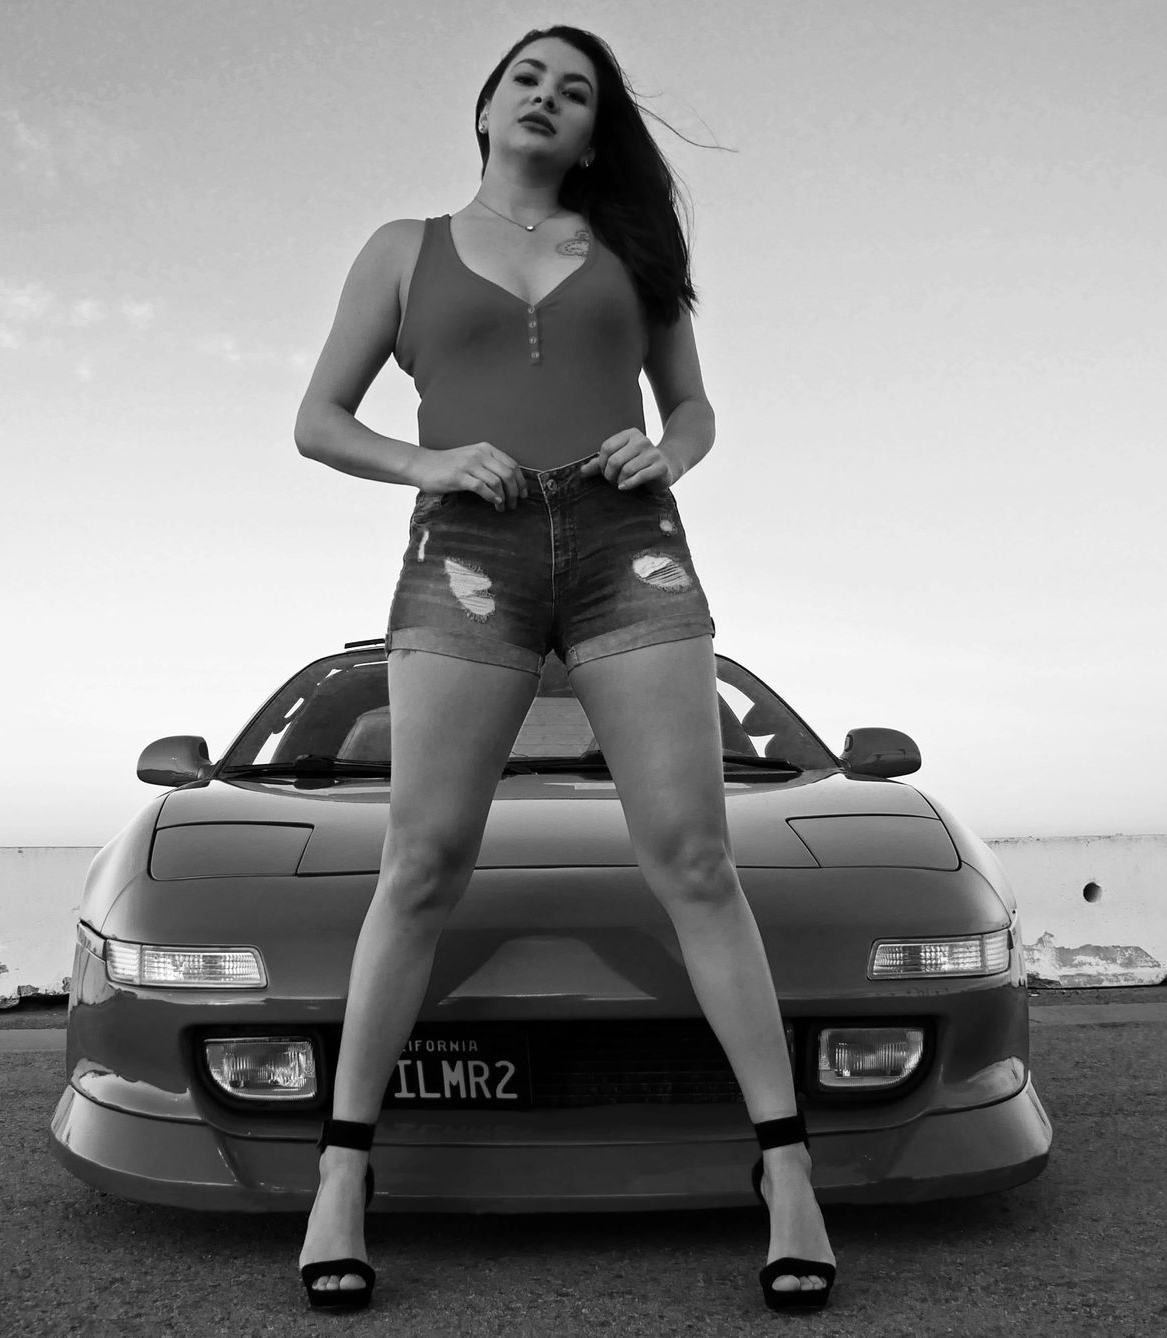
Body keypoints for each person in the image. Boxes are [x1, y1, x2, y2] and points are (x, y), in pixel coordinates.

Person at [290, 24, 837, 1313]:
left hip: (624, 543)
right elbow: (317, 420)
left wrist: (673, 453)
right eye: (527, 79)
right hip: (466, 545)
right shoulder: (404, 247)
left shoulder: (636, 252)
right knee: (421, 862)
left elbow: (691, 405)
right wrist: (427, 462)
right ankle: (342, 1175)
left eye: (575, 91)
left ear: (594, 136)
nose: (547, 98)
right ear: (486, 109)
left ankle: (787, 1170)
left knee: (694, 859)